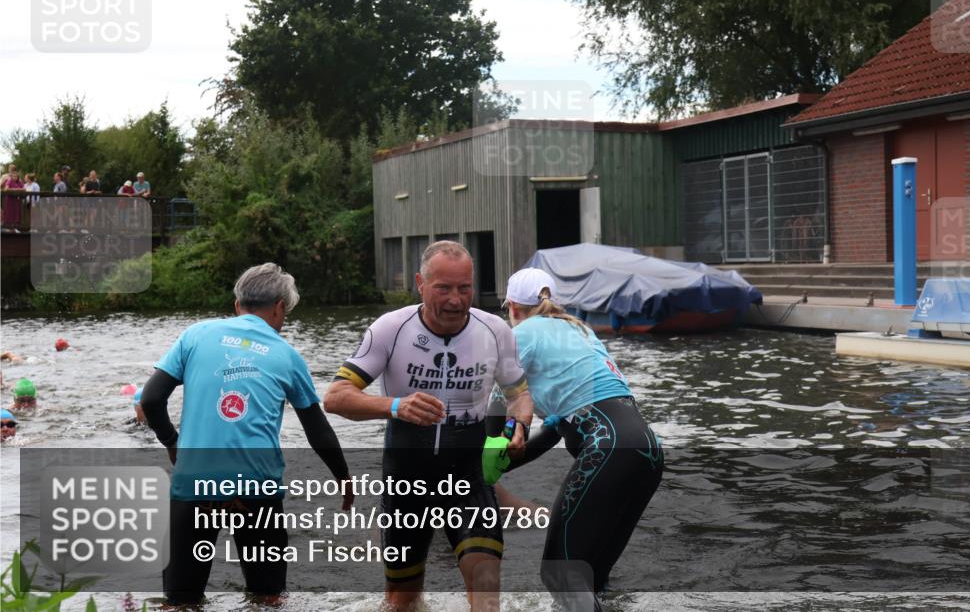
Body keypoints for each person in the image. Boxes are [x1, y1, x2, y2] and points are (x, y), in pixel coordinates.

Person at [323, 240, 533, 612]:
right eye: (444, 288)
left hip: (468, 477)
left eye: (464, 288)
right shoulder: (390, 328)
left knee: (486, 583)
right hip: (407, 480)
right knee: (403, 603)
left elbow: (519, 394)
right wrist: (396, 406)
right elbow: (336, 397)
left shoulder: (495, 330)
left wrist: (518, 425)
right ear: (421, 283)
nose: (456, 299)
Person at [140, 262, 354, 605]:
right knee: (268, 598)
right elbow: (318, 430)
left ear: (238, 305)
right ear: (280, 307)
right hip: (256, 486)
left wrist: (171, 442)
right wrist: (344, 478)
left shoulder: (195, 335)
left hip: (195, 480)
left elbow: (151, 399)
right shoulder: (288, 356)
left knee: (180, 601)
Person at [496, 267, 663, 610]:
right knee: (591, 581)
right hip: (647, 451)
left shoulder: (522, 334)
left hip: (609, 446)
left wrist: (484, 459)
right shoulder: (579, 330)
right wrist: (499, 466)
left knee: (560, 573)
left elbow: (493, 407)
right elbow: (558, 428)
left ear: (511, 307)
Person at [1, 164, 24, 229]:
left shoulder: (18, 178)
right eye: (11, 168)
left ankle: (15, 227)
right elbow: (2, 187)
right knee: (6, 212)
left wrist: (17, 189)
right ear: (8, 169)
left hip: (16, 198)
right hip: (5, 197)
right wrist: (5, 181)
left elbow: (23, 187)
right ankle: (6, 227)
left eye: (13, 169)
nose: (11, 170)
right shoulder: (4, 176)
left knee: (16, 212)